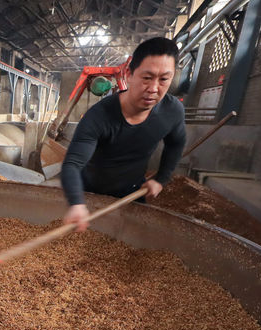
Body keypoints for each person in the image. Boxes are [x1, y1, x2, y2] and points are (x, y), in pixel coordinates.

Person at [61, 37, 186, 231]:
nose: (154, 89)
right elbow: (72, 164)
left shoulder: (173, 111)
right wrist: (76, 202)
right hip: (90, 195)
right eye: (147, 77)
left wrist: (161, 178)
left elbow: (176, 143)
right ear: (129, 74)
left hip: (132, 194)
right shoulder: (99, 116)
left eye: (163, 79)